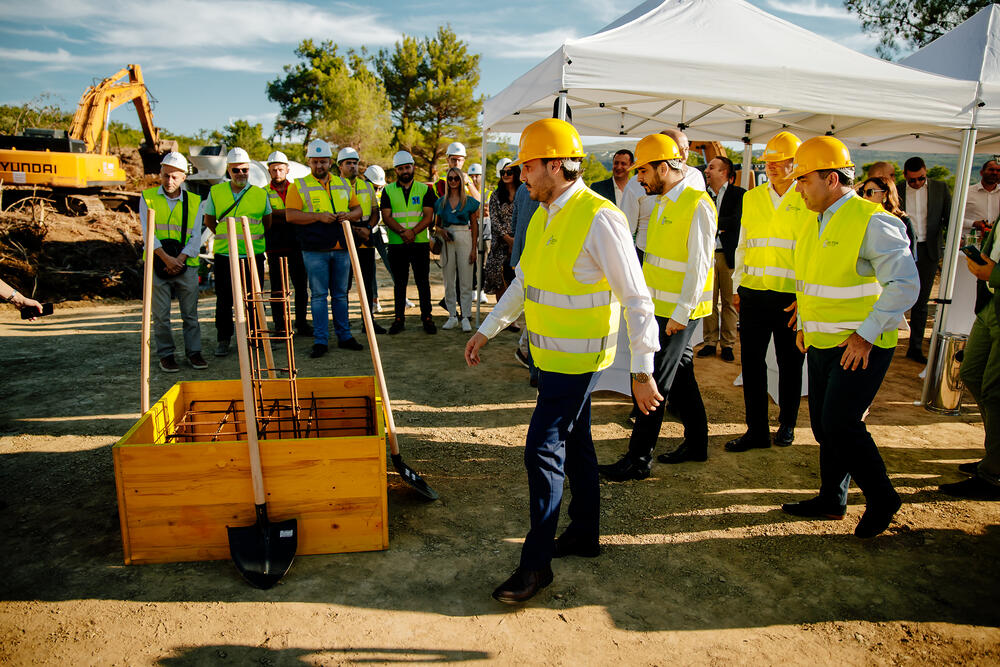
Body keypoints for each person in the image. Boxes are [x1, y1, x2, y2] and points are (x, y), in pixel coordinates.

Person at [464, 118, 660, 604]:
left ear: (555, 164)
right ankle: (585, 533)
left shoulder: (600, 217)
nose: (522, 175)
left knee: (542, 450)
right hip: (551, 359)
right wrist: (488, 329)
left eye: (528, 166)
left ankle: (536, 566)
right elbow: (525, 283)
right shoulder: (545, 214)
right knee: (577, 444)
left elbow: (637, 299)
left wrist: (642, 369)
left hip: (581, 361)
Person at [781, 136, 919, 538]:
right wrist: (805, 320)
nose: (798, 188)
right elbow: (811, 281)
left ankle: (883, 497)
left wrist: (865, 335)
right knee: (827, 429)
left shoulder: (873, 220)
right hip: (823, 341)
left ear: (829, 177)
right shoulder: (813, 221)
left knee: (840, 424)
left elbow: (904, 285)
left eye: (803, 179)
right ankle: (832, 499)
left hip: (861, 345)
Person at [599, 133, 714, 480]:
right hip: (660, 308)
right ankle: (697, 442)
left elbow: (700, 265)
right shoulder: (664, 201)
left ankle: (639, 460)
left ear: (664, 168)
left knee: (654, 380)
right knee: (680, 376)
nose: (638, 179)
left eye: (643, 171)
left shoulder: (698, 203)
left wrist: (681, 314)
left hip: (678, 313)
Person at [728, 131, 813, 452]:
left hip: (790, 299)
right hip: (752, 294)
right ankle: (757, 430)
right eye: (770, 163)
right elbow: (743, 245)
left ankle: (787, 424)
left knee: (790, 364)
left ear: (796, 164)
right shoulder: (752, 197)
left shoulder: (806, 198)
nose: (774, 168)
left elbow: (810, 252)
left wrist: (803, 299)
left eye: (781, 162)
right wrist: (738, 286)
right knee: (751, 364)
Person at [284, 139, 364, 358]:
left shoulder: (343, 183)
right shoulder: (297, 186)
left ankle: (345, 336)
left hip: (342, 247)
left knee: (341, 295)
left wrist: (349, 215)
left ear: (330, 162)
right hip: (314, 249)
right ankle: (321, 340)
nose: (319, 166)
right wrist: (318, 216)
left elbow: (358, 209)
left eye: (323, 162)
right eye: (315, 162)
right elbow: (291, 215)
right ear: (309, 162)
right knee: (318, 296)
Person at [938, 224, 1000, 500]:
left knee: (995, 391)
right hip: (990, 304)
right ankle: (995, 456)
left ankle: (993, 474)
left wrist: (995, 274)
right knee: (973, 374)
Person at [138, 152, 207, 372]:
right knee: (161, 316)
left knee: (190, 314)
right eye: (166, 175)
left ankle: (194, 353)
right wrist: (166, 259)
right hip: (158, 264)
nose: (169, 181)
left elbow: (196, 235)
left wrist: (180, 259)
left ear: (183, 178)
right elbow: (147, 233)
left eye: (174, 177)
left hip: (186, 264)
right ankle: (166, 354)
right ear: (160, 173)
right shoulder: (147, 197)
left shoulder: (194, 201)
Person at [202, 147, 271, 358]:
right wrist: (228, 237)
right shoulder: (216, 192)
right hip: (225, 256)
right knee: (224, 300)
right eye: (236, 170)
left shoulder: (260, 193)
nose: (241, 174)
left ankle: (256, 337)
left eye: (244, 170)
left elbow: (266, 222)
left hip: (253, 256)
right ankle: (224, 339)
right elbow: (209, 221)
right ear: (228, 171)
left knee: (254, 299)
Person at [622, 128, 705, 261]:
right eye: (679, 149)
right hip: (645, 256)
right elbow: (626, 230)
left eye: (687, 149)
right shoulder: (636, 186)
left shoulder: (697, 181)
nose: (683, 155)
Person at [897, 156, 951, 364]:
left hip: (928, 250)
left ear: (925, 172)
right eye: (912, 180)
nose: (917, 183)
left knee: (921, 301)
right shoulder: (899, 189)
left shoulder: (940, 188)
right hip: (903, 249)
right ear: (905, 176)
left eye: (920, 178)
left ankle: (915, 347)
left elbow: (948, 219)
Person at [380, 150, 438, 335]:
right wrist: (402, 232)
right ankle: (399, 319)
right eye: (400, 168)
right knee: (399, 283)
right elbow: (386, 216)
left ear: (412, 167)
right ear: (396, 170)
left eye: (407, 167)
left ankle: (427, 318)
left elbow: (429, 216)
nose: (404, 171)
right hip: (397, 243)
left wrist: (412, 232)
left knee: (423, 282)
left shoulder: (425, 189)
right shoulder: (387, 190)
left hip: (419, 242)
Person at [697, 156, 744, 362]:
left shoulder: (739, 194)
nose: (707, 171)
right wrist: (720, 223)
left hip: (728, 256)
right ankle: (709, 342)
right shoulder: (701, 195)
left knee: (728, 302)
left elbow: (736, 221)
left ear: (724, 172)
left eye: (711, 167)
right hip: (706, 255)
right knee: (707, 300)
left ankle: (727, 344)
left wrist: (712, 222)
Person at [264, 150, 312, 340]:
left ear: (287, 169)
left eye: (280, 169)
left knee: (301, 287)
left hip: (298, 245)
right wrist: (290, 214)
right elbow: (266, 216)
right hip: (275, 247)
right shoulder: (263, 192)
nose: (277, 173)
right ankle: (280, 325)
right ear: (269, 170)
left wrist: (280, 214)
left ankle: (301, 323)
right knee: (277, 289)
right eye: (274, 170)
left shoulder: (297, 189)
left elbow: (302, 213)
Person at [338, 147, 387, 334]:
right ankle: (344, 324)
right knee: (343, 285)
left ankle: (369, 321)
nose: (353, 166)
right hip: (344, 240)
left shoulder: (366, 186)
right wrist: (353, 229)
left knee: (367, 282)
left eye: (355, 163)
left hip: (366, 239)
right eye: (348, 163)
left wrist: (367, 229)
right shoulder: (334, 186)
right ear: (340, 166)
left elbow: (375, 212)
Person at [434, 166, 480, 332]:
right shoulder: (441, 202)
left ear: (461, 180)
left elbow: (474, 225)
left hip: (464, 236)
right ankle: (452, 315)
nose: (453, 181)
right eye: (450, 178)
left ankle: (466, 316)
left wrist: (474, 248)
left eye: (456, 178)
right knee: (449, 279)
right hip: (447, 238)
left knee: (466, 279)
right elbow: (436, 225)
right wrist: (442, 232)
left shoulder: (469, 201)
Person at [483, 159, 519, 301]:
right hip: (500, 246)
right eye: (502, 172)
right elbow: (495, 220)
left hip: (520, 243)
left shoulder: (525, 193)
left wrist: (516, 242)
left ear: (516, 173)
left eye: (509, 172)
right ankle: (504, 321)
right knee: (500, 282)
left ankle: (514, 322)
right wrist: (509, 240)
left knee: (517, 284)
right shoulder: (495, 195)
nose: (505, 174)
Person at [858, 176, 915, 254]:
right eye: (862, 192)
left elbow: (910, 255)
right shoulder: (862, 219)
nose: (864, 196)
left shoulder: (903, 220)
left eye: (870, 192)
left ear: (885, 194)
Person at [364, 164, 392, 314]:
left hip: (381, 233)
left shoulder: (384, 192)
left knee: (391, 264)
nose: (377, 191)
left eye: (379, 187)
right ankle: (375, 300)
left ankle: (402, 296)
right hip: (366, 234)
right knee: (370, 270)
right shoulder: (361, 191)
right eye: (375, 187)